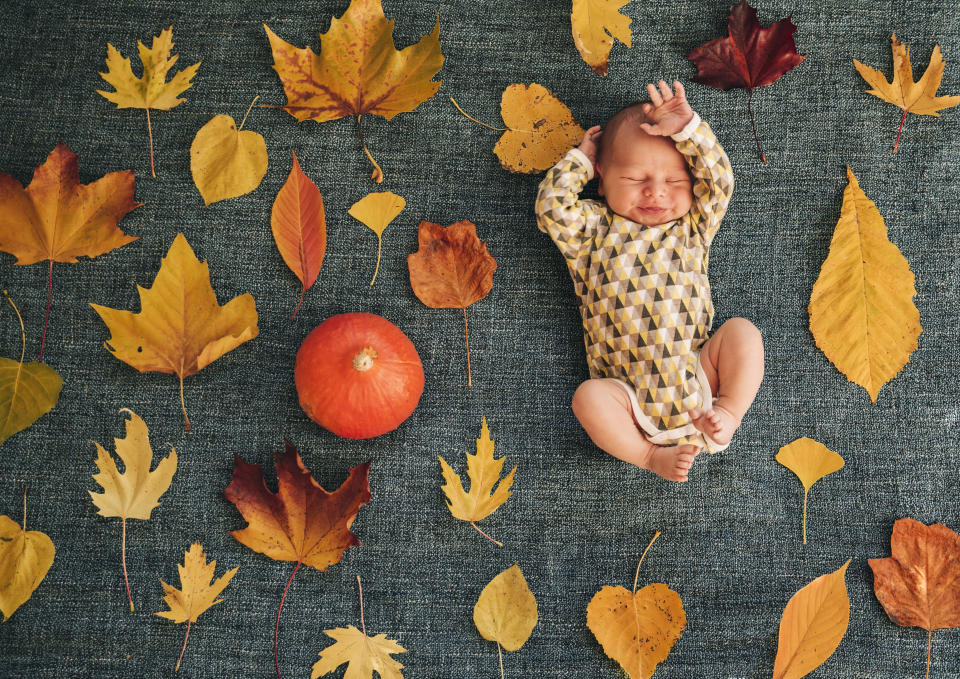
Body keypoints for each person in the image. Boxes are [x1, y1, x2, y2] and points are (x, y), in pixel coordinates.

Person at [535, 80, 764, 482]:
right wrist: (581, 161)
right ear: (603, 181)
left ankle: (729, 412)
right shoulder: (591, 231)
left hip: (700, 374)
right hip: (626, 395)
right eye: (636, 179)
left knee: (743, 334)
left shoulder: (691, 226)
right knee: (588, 398)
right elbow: (552, 208)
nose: (656, 193)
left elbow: (720, 181)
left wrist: (687, 128)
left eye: (674, 182)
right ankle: (646, 455)